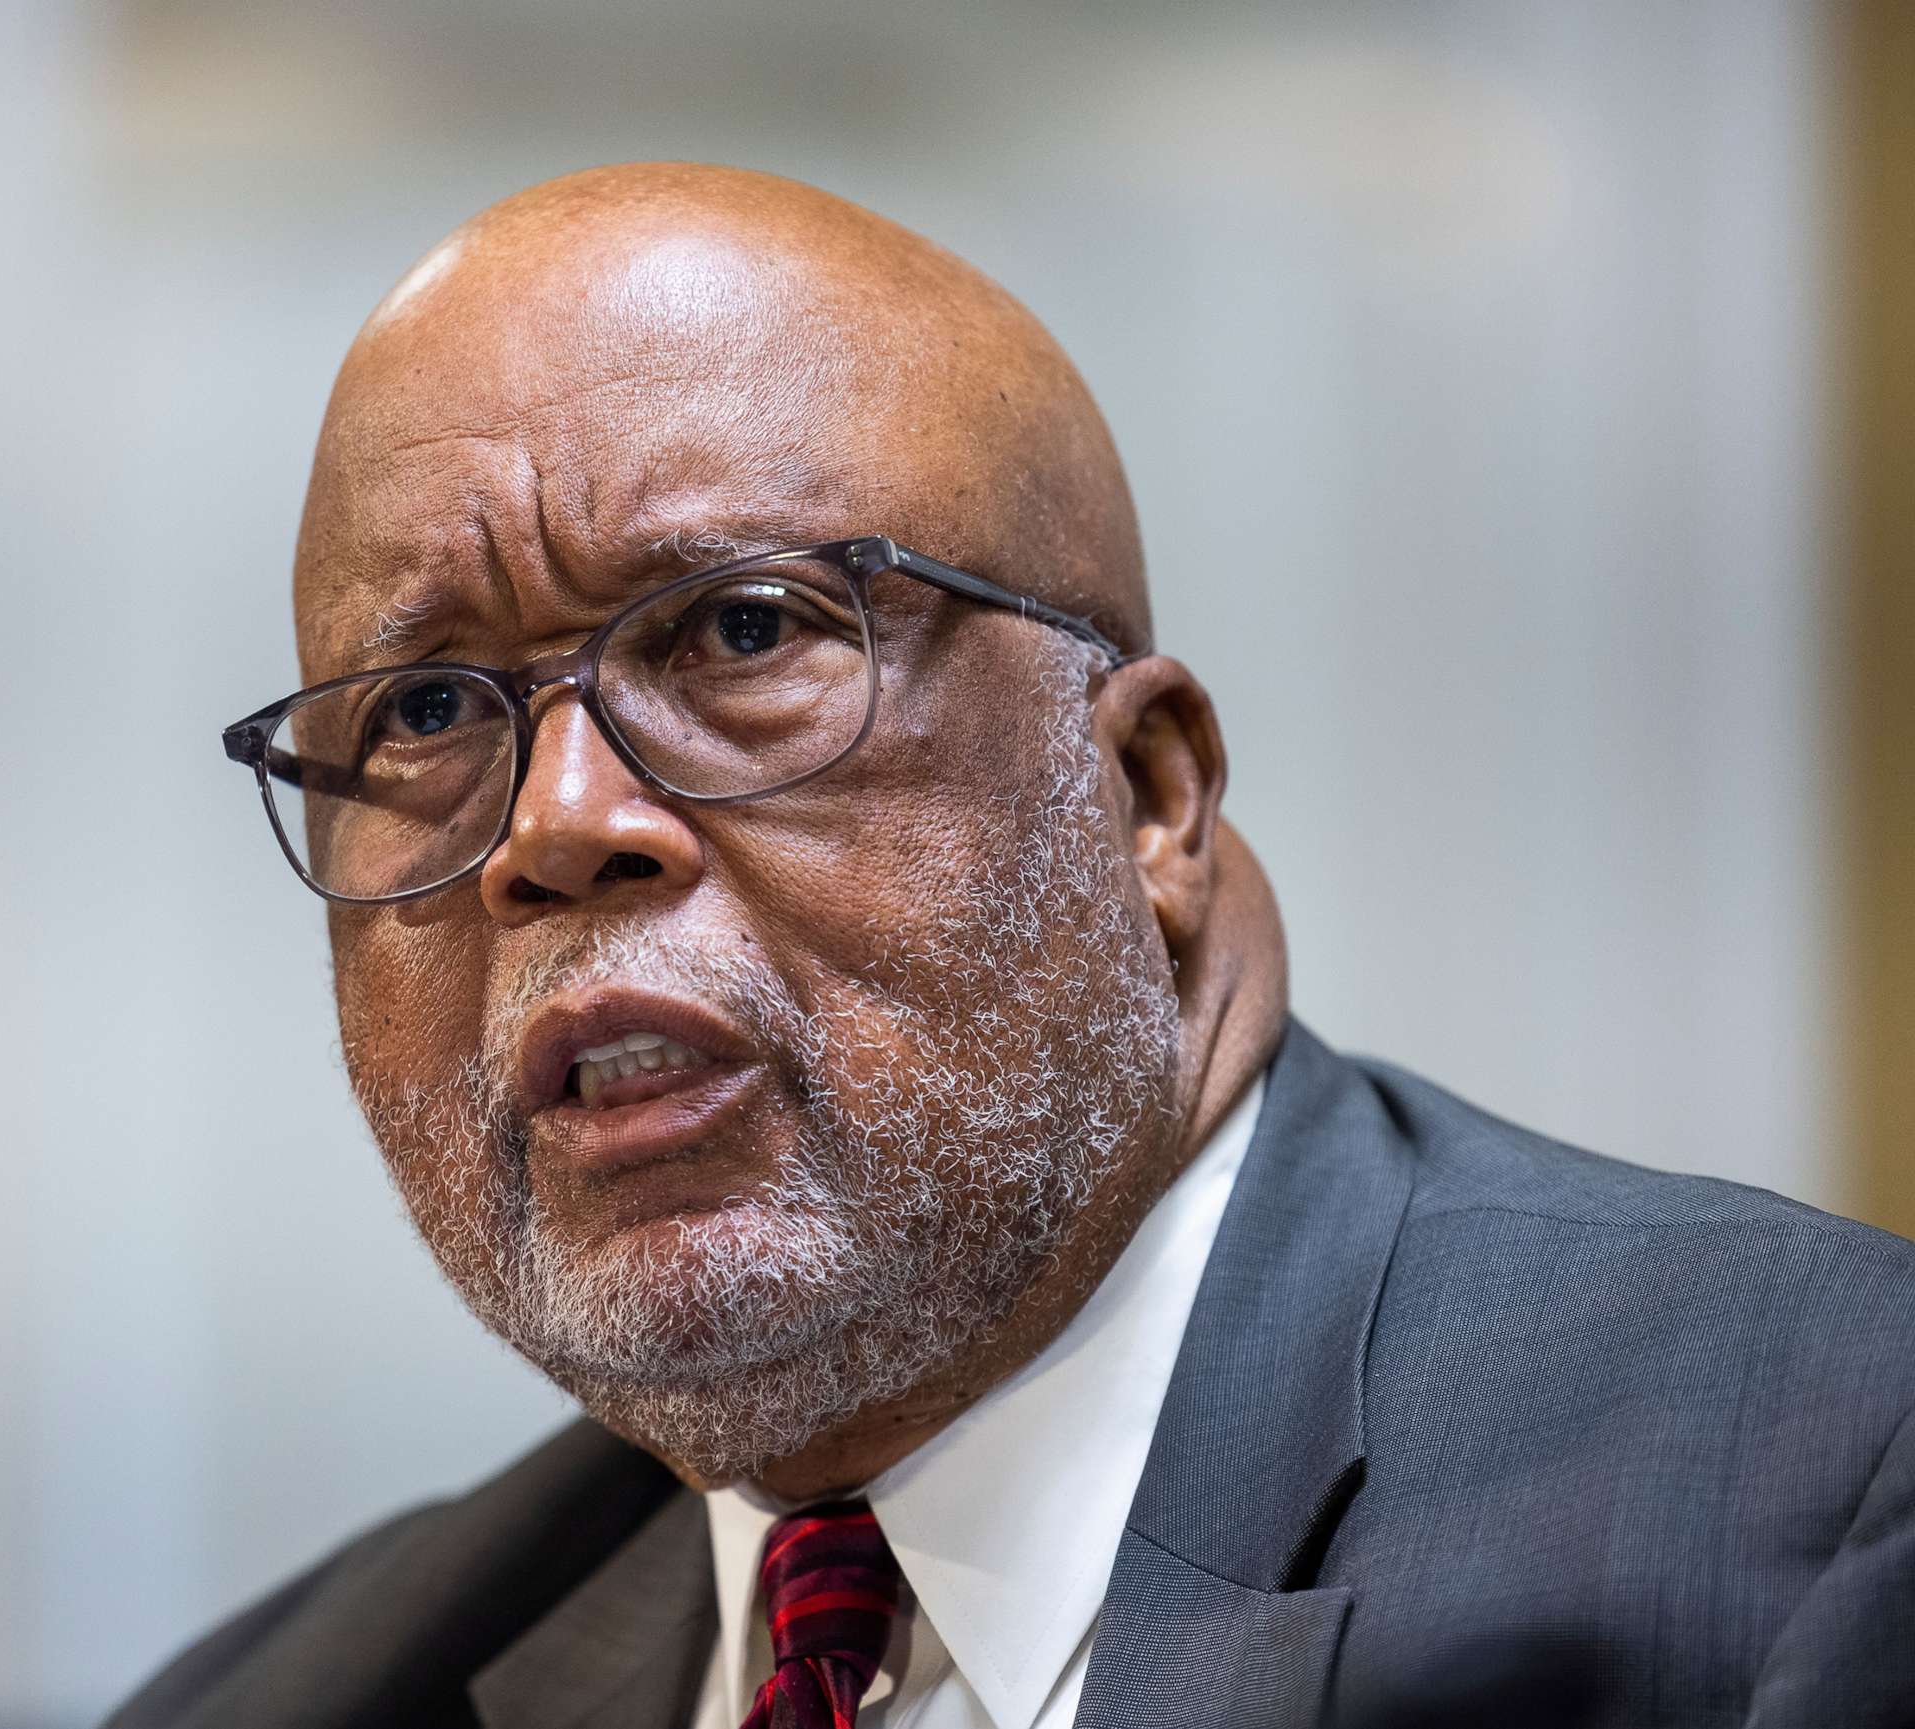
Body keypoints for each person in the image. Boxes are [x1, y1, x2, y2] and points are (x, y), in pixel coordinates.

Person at [114, 164, 1915, 1729]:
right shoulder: (313, 1691)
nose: (558, 822)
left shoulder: (1820, 1492)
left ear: (1145, 796)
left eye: (744, 628)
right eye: (425, 705)